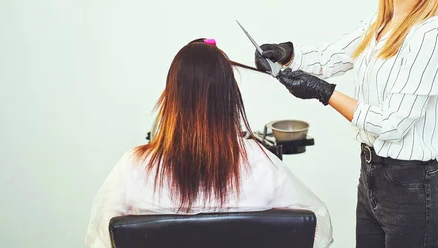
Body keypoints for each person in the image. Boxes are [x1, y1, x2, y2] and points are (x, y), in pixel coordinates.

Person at [255, 0, 438, 247]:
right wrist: (287, 53)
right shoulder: (381, 20)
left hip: (413, 192)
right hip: (372, 181)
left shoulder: (433, 34)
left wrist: (323, 93)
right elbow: (334, 57)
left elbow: (392, 124)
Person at [85, 38, 333, 248]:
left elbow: (100, 241)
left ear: (172, 96)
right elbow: (319, 229)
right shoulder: (259, 164)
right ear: (229, 97)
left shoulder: (133, 168)